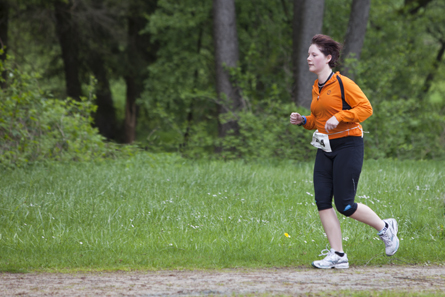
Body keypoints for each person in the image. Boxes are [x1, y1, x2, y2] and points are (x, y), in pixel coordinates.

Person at [290, 34, 399, 269]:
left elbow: (366, 108)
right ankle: (338, 255)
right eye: (308, 54)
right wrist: (303, 120)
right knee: (322, 200)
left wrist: (340, 116)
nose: (308, 58)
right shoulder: (316, 88)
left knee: (345, 205)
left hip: (349, 145)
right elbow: (320, 121)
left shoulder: (343, 84)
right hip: (325, 148)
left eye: (313, 55)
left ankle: (385, 228)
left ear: (328, 58)